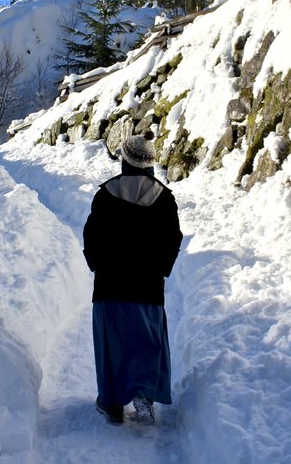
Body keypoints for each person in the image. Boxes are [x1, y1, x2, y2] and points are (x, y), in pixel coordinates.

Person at [83, 130, 183, 425]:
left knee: (111, 344)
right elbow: (172, 240)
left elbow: (92, 236)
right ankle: (143, 394)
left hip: (110, 286)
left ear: (124, 159)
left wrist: (97, 264)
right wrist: (161, 268)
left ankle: (111, 403)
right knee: (146, 342)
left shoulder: (105, 194)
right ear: (151, 163)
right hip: (148, 287)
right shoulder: (164, 199)